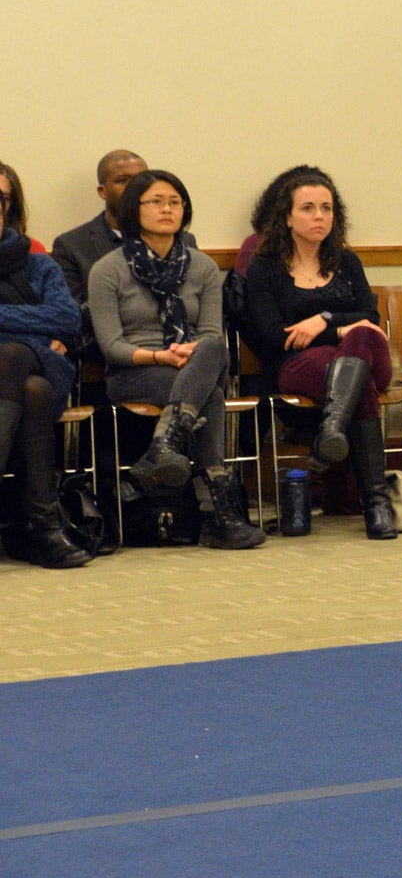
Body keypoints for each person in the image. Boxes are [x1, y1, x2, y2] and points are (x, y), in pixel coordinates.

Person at [88, 169, 264, 549]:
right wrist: (160, 355)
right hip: (135, 371)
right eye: (156, 202)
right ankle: (216, 512)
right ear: (134, 210)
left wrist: (187, 354)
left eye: (175, 202)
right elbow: (111, 346)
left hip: (193, 362)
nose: (167, 209)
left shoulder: (201, 267)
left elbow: (210, 334)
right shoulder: (108, 270)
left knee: (214, 347)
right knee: (210, 396)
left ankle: (165, 445)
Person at [237, 166, 398, 540]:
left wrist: (322, 323)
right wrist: (339, 327)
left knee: (363, 337)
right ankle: (377, 505)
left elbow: (370, 318)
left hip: (362, 355)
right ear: (288, 217)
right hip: (297, 366)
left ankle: (331, 428)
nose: (319, 216)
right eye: (308, 208)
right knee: (360, 386)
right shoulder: (265, 266)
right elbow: (272, 336)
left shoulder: (346, 261)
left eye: (326, 208)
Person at [1, 160, 91, 568]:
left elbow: (68, 318)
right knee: (30, 388)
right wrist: (34, 330)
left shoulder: (38, 263)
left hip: (42, 364)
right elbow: (49, 321)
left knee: (15, 355)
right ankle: (43, 528)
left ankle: (40, 528)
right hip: (30, 375)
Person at [50, 148, 151, 365]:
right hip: (103, 347)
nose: (135, 189)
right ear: (102, 191)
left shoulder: (179, 241)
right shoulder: (71, 245)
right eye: (123, 180)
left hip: (170, 340)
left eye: (142, 180)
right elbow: (73, 314)